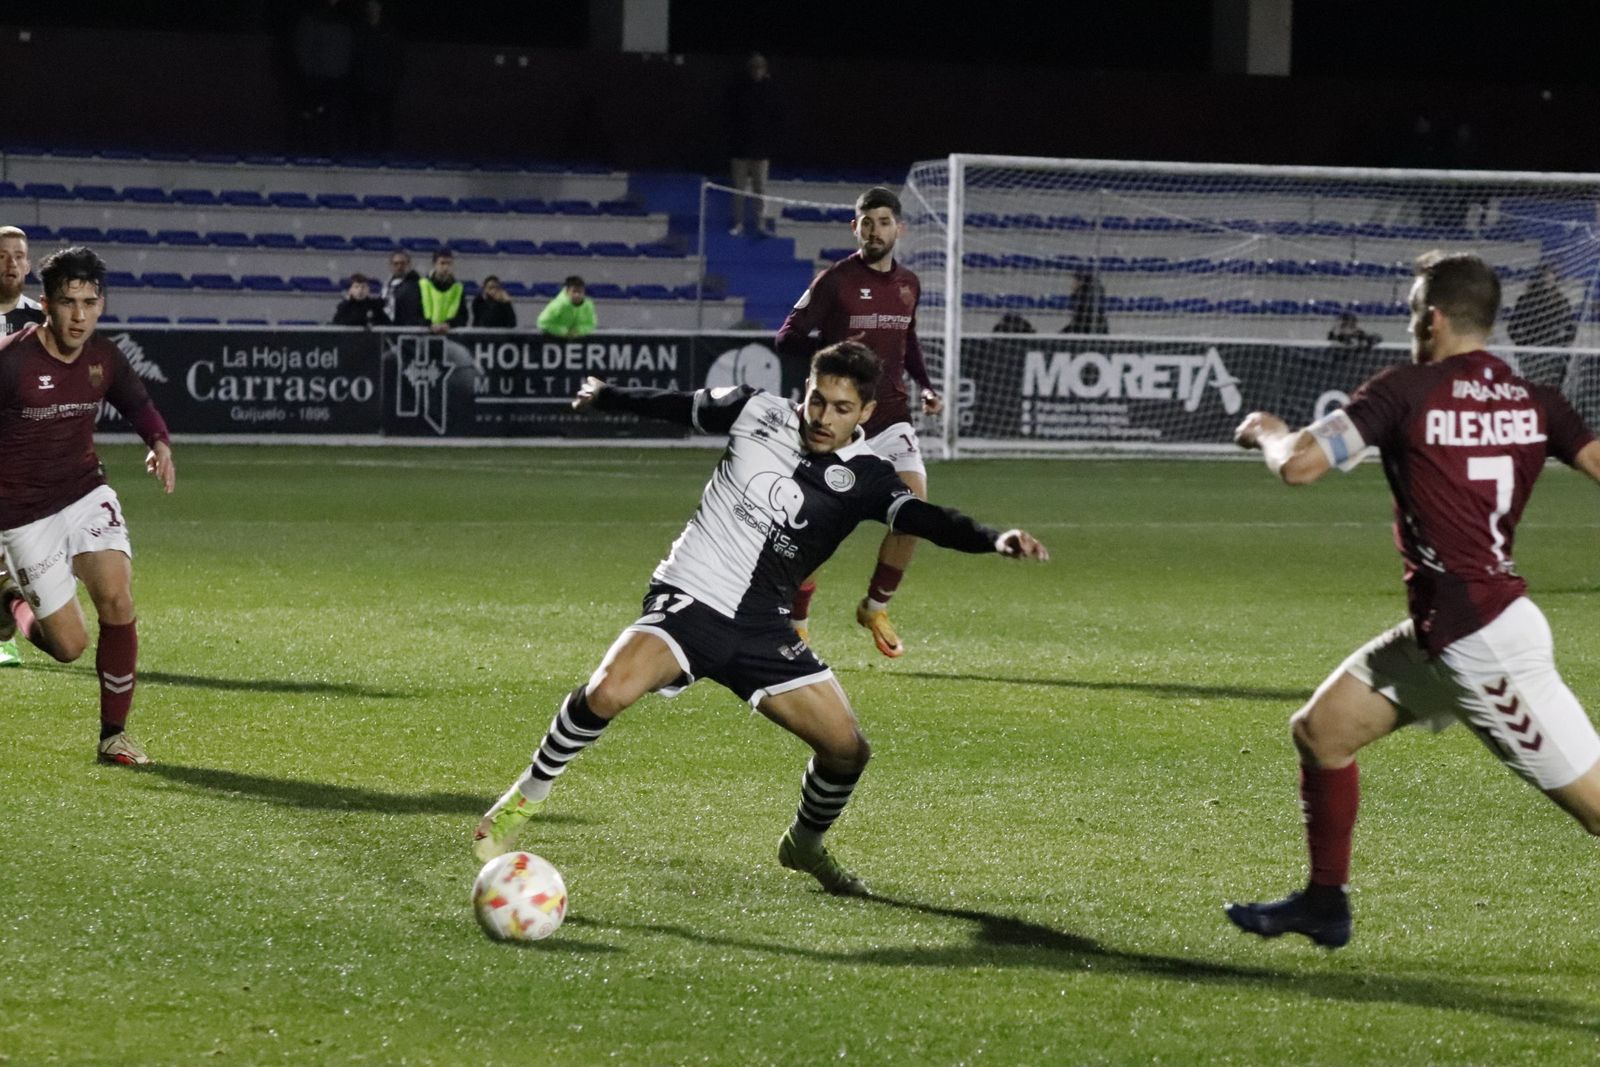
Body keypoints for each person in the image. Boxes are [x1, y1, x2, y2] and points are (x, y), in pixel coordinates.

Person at [471, 341, 1049, 894]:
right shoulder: (758, 410)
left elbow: (926, 517)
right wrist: (609, 395)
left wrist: (994, 539)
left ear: (866, 413)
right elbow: (682, 405)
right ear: (805, 390)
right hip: (691, 597)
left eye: (842, 408)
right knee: (608, 692)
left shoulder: (869, 476)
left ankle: (804, 842)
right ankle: (521, 800)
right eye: (817, 399)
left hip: (764, 628)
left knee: (849, 750)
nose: (823, 416)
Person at [1227, 251, 1600, 949]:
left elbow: (1300, 466)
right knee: (1322, 730)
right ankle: (1324, 900)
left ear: (1431, 317)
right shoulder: (1537, 401)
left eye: (1409, 310)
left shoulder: (1405, 390)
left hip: (1485, 646)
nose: (1407, 323)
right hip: (1450, 631)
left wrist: (1266, 429)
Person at [0, 246, 178, 765]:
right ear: (45, 305)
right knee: (69, 646)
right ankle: (11, 602)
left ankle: (113, 736)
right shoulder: (11, 363)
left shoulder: (105, 357)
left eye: (89, 302)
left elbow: (137, 403)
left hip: (84, 492)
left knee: (119, 602)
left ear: (102, 304)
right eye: (67, 303)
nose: (79, 315)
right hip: (23, 515)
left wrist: (158, 442)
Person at [774, 186, 941, 658]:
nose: (875, 231)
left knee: (915, 515)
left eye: (884, 222)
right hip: (836, 421)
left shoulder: (909, 283)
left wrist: (926, 385)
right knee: (811, 526)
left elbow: (907, 342)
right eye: (867, 223)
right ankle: (799, 624)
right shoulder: (836, 281)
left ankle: (875, 605)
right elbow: (786, 338)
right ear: (855, 228)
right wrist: (835, 360)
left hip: (890, 417)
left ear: (898, 228)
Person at [0, 225, 44, 667]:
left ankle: (6, 626)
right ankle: (4, 636)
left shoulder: (40, 320)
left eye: (18, 256)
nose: (11, 263)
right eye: (3, 255)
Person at [723, 51, 783, 237]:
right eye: (754, 68)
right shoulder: (739, 89)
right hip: (740, 149)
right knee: (739, 189)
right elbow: (732, 117)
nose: (757, 71)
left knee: (760, 189)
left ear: (765, 70)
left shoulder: (770, 90)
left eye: (760, 68)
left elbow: (775, 119)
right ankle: (738, 223)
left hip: (761, 150)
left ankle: (760, 223)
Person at [349, 0, 403, 153]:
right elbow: (354, 57)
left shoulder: (390, 31)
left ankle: (385, 154)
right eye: (369, 6)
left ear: (381, 8)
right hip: (364, 85)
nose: (372, 10)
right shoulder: (360, 29)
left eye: (375, 6)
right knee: (363, 123)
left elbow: (397, 58)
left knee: (384, 122)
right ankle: (363, 153)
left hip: (384, 85)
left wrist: (393, 80)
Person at [1505, 264, 1577, 348]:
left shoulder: (1561, 302)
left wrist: (1561, 347)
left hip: (1554, 351)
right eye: (1545, 279)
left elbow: (1571, 328)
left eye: (1551, 280)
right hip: (1531, 350)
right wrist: (1524, 345)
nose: (1548, 282)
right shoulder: (1525, 301)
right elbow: (1512, 328)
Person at [419, 248, 468, 334]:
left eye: (449, 263)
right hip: (425, 335)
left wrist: (449, 325)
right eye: (442, 263)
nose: (446, 267)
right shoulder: (422, 285)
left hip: (450, 337)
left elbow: (463, 316)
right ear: (434, 264)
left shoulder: (458, 288)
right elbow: (416, 312)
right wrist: (428, 325)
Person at [382, 250, 423, 326]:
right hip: (390, 328)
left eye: (403, 263)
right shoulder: (387, 285)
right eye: (396, 264)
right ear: (390, 265)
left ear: (409, 264)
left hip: (409, 329)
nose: (399, 267)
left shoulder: (418, 284)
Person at [1064, 271, 1109, 335]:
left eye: (1075, 281)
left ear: (1081, 282)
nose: (1072, 285)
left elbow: (1078, 325)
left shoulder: (1083, 302)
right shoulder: (1092, 299)